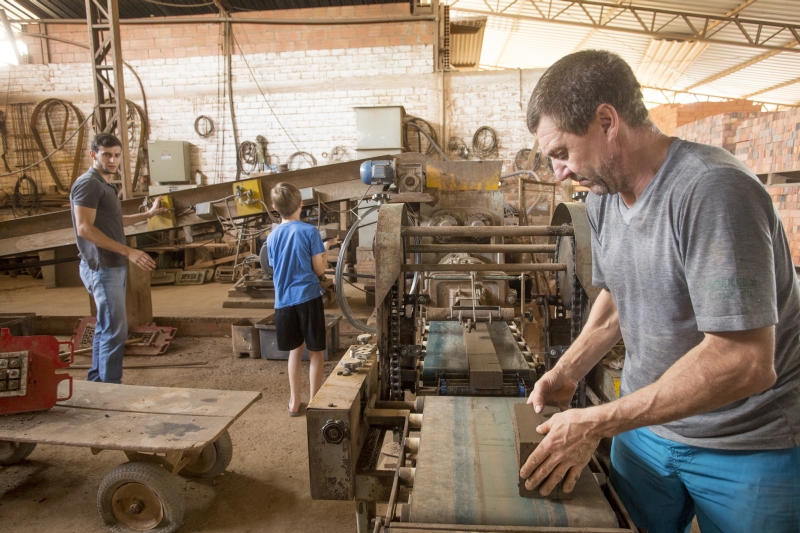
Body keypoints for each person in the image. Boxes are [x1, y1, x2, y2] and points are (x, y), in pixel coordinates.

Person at [519, 50, 800, 533]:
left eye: (562, 153)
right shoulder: (604, 198)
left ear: (607, 122)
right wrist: (568, 369)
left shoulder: (712, 191)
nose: (559, 172)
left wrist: (597, 422)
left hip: (745, 444)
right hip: (645, 431)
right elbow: (617, 300)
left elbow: (745, 360)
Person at [70, 133, 165, 384]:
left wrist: (147, 215)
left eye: (116, 155)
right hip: (102, 266)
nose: (112, 160)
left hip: (112, 265)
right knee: (115, 330)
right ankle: (111, 387)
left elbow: (114, 221)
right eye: (106, 155)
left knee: (107, 327)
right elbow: (84, 228)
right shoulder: (88, 184)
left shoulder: (104, 185)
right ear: (93, 155)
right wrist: (129, 251)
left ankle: (98, 382)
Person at [267, 183, 339, 416]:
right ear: (301, 204)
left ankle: (294, 402)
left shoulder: (272, 236)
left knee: (294, 351)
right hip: (307, 298)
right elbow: (319, 270)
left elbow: (274, 266)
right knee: (316, 352)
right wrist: (325, 248)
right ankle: (315, 401)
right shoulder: (310, 232)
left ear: (274, 207)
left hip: (283, 301)